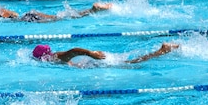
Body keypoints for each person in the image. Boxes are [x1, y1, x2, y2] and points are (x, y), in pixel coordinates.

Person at [0, 1, 112, 23]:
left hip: (26, 19)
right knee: (61, 17)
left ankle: (91, 10)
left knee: (60, 20)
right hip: (27, 14)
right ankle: (90, 10)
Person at [31, 42, 180, 65]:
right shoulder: (55, 56)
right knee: (130, 61)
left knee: (131, 63)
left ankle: (162, 51)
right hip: (94, 62)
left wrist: (92, 55)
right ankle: (161, 51)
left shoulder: (56, 58)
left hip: (98, 61)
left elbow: (74, 51)